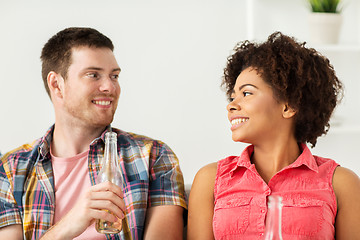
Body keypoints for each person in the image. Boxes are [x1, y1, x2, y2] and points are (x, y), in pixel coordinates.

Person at [0, 27, 187, 240]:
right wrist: (70, 224)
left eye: (114, 76)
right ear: (56, 84)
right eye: (93, 75)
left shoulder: (154, 157)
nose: (110, 87)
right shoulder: (10, 169)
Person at [187, 32, 360, 239]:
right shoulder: (210, 180)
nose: (231, 105)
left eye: (247, 93)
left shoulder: (341, 183)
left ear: (289, 106)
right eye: (233, 96)